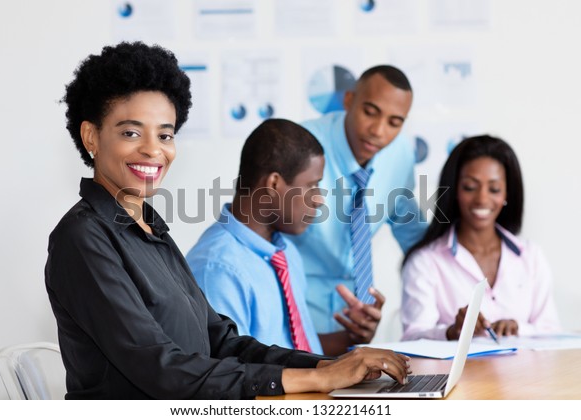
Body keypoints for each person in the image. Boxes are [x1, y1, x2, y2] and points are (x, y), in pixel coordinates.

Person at [45, 41, 410, 400]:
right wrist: (317, 378)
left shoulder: (150, 230)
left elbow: (222, 342)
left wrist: (330, 367)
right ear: (91, 136)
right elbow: (161, 368)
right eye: (131, 132)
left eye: (165, 134)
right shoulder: (82, 236)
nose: (153, 149)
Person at [187, 118, 385, 357]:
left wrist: (353, 337)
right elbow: (231, 376)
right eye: (312, 185)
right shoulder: (218, 269)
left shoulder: (285, 252)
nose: (319, 199)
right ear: (273, 184)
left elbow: (293, 350)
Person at [289, 65, 428, 334]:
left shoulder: (400, 155)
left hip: (356, 317)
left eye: (394, 122)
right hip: (296, 308)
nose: (378, 130)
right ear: (349, 100)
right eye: (370, 112)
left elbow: (413, 234)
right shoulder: (301, 144)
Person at [400, 135, 561, 341]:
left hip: (527, 373)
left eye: (494, 189)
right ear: (454, 190)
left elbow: (552, 331)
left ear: (506, 194)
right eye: (470, 187)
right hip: (463, 374)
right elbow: (413, 336)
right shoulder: (425, 261)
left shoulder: (531, 256)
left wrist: (518, 328)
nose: (482, 199)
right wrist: (451, 331)